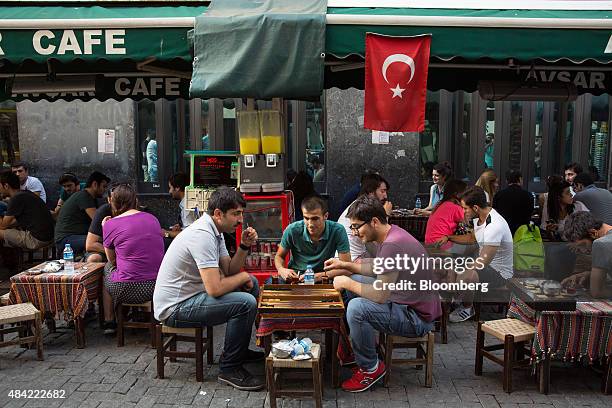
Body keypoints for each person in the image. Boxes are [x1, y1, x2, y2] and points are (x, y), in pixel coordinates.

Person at [323, 196, 441, 392]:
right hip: (407, 304)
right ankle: (361, 342)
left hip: (417, 317)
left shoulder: (392, 245)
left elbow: (380, 295)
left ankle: (370, 368)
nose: (353, 233)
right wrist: (346, 265)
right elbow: (379, 267)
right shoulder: (392, 235)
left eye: (356, 227)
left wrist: (347, 281)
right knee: (357, 284)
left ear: (374, 222)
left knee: (356, 307)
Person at [153, 187, 264, 391]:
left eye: (241, 213)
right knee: (245, 302)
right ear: (218, 214)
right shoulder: (202, 234)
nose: (240, 220)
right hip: (175, 308)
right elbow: (214, 288)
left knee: (252, 286)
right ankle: (229, 368)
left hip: (193, 297)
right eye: (236, 214)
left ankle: (238, 350)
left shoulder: (216, 231)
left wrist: (244, 246)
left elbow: (229, 270)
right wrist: (244, 276)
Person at [100, 184, 164, 334]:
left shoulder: (110, 224)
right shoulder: (153, 219)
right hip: (156, 286)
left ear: (113, 202)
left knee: (106, 268)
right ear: (135, 201)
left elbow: (112, 260)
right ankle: (136, 314)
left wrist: (105, 228)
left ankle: (110, 320)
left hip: (126, 288)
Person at [448, 186, 514, 322]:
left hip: (500, 273)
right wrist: (448, 238)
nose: (463, 211)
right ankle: (455, 299)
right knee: (450, 264)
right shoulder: (480, 218)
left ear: (476, 208)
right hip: (486, 265)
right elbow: (472, 238)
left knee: (468, 274)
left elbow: (483, 262)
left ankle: (468, 307)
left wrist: (462, 270)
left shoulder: (494, 226)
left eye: (465, 208)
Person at [274, 195, 351, 283]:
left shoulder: (337, 230)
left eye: (315, 219)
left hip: (324, 276)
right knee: (270, 283)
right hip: (296, 276)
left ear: (325, 216)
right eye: (306, 218)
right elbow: (279, 256)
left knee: (346, 283)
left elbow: (347, 268)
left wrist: (320, 276)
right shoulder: (292, 230)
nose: (310, 224)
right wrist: (281, 270)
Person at [338, 174, 392, 261]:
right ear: (371, 192)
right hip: (354, 258)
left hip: (357, 255)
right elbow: (379, 237)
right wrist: (385, 215)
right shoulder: (366, 208)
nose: (385, 196)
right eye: (382, 191)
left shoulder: (360, 204)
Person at [54, 171, 110, 254]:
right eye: (104, 186)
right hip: (66, 240)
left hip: (75, 237)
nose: (105, 190)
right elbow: (98, 221)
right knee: (100, 242)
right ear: (95, 184)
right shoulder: (84, 196)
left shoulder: (89, 197)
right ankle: (115, 254)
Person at [561, 211, 612, 299]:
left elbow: (597, 292)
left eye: (583, 245)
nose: (584, 251)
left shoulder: (601, 243)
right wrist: (590, 274)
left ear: (593, 233)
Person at [0, 171, 54, 250]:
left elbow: (2, 226)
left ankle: (8, 261)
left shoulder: (16, 198)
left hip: (37, 240)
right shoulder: (25, 194)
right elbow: (15, 222)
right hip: (48, 237)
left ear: (6, 186)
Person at [425, 179, 472, 252]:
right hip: (442, 245)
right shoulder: (455, 208)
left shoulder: (440, 204)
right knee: (474, 245)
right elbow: (468, 223)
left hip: (429, 244)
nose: (467, 196)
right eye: (465, 193)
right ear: (457, 194)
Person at [493, 170, 534, 235]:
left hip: (505, 230)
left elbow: (495, 212)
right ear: (520, 179)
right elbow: (530, 213)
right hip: (523, 231)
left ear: (507, 181)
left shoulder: (499, 195)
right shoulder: (528, 195)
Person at [164, 172, 197, 239]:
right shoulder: (188, 202)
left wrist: (166, 233)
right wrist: (181, 227)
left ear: (177, 188)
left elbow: (189, 233)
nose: (169, 191)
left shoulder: (187, 206)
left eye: (170, 188)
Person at [84, 191, 112, 263]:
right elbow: (90, 245)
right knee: (94, 258)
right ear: (109, 200)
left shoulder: (138, 213)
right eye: (117, 199)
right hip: (109, 249)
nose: (121, 204)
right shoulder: (104, 211)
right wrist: (112, 252)